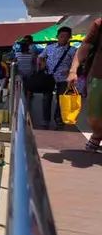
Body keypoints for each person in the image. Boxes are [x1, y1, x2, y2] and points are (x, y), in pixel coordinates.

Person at [68, 17, 102, 152]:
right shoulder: (99, 23)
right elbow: (86, 45)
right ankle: (97, 134)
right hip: (99, 76)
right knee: (94, 116)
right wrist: (73, 71)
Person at [38, 26, 77, 130]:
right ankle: (45, 120)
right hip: (49, 77)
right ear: (57, 36)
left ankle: (58, 119)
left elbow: (76, 62)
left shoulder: (73, 50)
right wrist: (42, 65)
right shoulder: (49, 48)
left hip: (63, 79)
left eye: (66, 36)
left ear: (70, 37)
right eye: (61, 36)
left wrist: (72, 72)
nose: (63, 38)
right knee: (46, 98)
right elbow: (40, 57)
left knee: (61, 100)